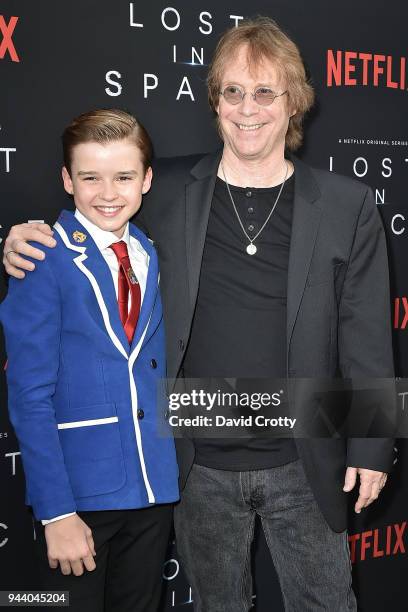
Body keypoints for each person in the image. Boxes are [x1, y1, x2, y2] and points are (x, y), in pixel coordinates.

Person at [3, 17, 394, 612]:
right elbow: (97, 206)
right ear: (214, 102)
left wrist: (371, 447)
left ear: (295, 104)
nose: (248, 109)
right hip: (194, 465)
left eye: (265, 92)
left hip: (306, 458)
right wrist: (23, 237)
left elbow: (365, 332)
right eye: (232, 91)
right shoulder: (165, 192)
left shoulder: (347, 205)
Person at [0, 109, 179, 612]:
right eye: (90, 177)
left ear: (146, 179)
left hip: (151, 492)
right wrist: (56, 513)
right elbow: (30, 394)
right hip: (79, 499)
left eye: (123, 176)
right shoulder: (42, 256)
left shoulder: (152, 252)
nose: (107, 193)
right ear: (66, 180)